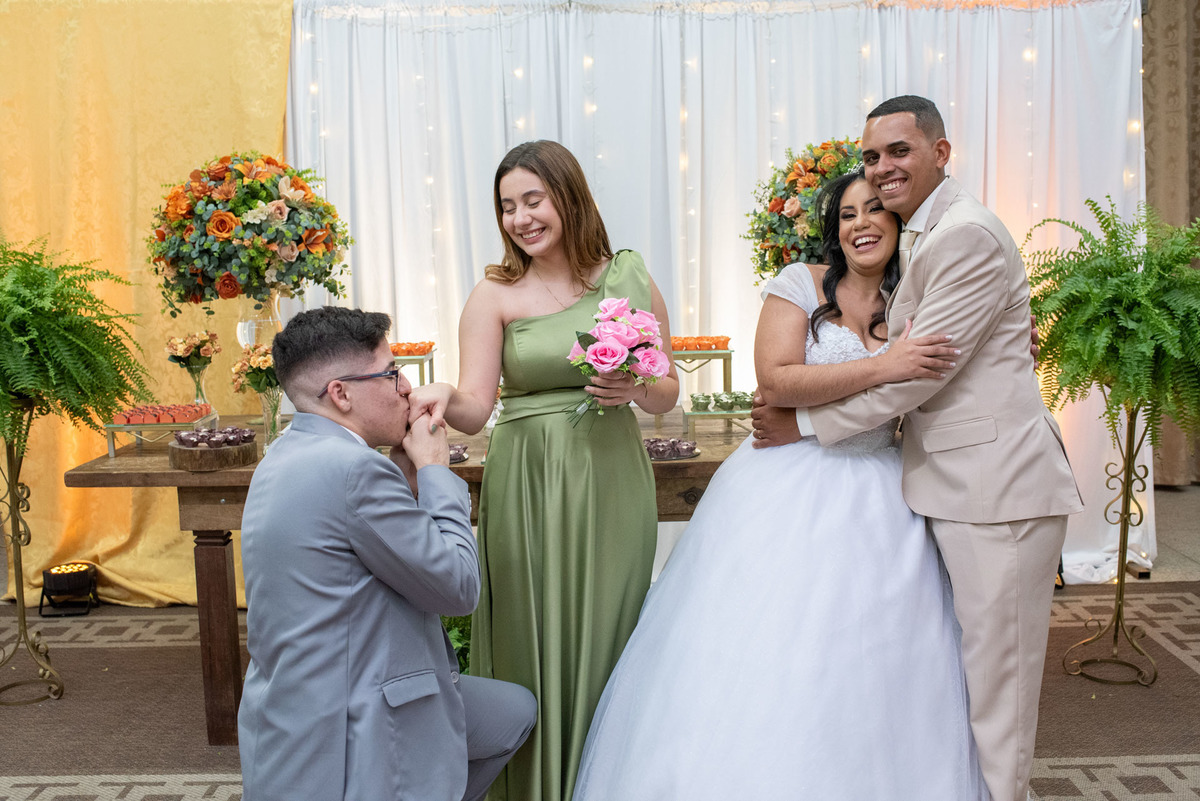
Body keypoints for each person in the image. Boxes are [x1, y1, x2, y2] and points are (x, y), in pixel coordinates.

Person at [572, 170, 988, 798]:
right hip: (782, 487)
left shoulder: (916, 296)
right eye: (846, 214)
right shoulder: (800, 284)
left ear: (899, 221)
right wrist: (883, 365)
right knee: (766, 646)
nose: (861, 224)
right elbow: (776, 382)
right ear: (832, 229)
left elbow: (928, 383)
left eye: (875, 209)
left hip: (885, 489)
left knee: (879, 656)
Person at [752, 96, 1084, 801]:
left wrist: (805, 428)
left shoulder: (962, 234)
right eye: (871, 158)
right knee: (961, 679)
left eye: (898, 152)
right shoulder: (918, 240)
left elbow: (913, 375)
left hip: (998, 493)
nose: (882, 170)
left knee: (1001, 691)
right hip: (947, 487)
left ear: (940, 152)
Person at [409, 140, 680, 801]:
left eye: (533, 199)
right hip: (526, 480)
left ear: (568, 196)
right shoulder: (495, 293)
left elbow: (668, 391)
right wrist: (444, 393)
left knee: (611, 627)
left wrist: (636, 388)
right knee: (530, 631)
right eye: (507, 206)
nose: (521, 218)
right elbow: (476, 408)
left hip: (611, 474)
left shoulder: (627, 275)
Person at [238, 306, 536, 801]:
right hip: (357, 715)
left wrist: (407, 478)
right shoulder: (356, 471)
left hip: (292, 700)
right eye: (392, 373)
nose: (405, 388)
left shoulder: (285, 454)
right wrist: (438, 471)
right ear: (341, 393)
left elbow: (356, 546)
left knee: (511, 711)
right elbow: (459, 588)